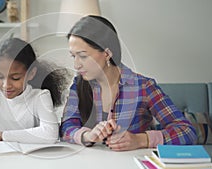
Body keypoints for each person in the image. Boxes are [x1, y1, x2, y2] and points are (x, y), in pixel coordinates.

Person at [60, 15, 197, 151]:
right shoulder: (78, 85)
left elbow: (187, 131)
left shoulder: (144, 86)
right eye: (73, 56)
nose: (76, 65)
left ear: (107, 54)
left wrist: (141, 140)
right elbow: (66, 127)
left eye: (83, 56)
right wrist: (87, 136)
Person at [0, 37, 68, 152]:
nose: (6, 85)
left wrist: (1, 135)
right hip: (1, 158)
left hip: (33, 159)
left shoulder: (40, 96)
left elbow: (50, 133)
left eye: (15, 78)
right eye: (0, 77)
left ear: (31, 74)